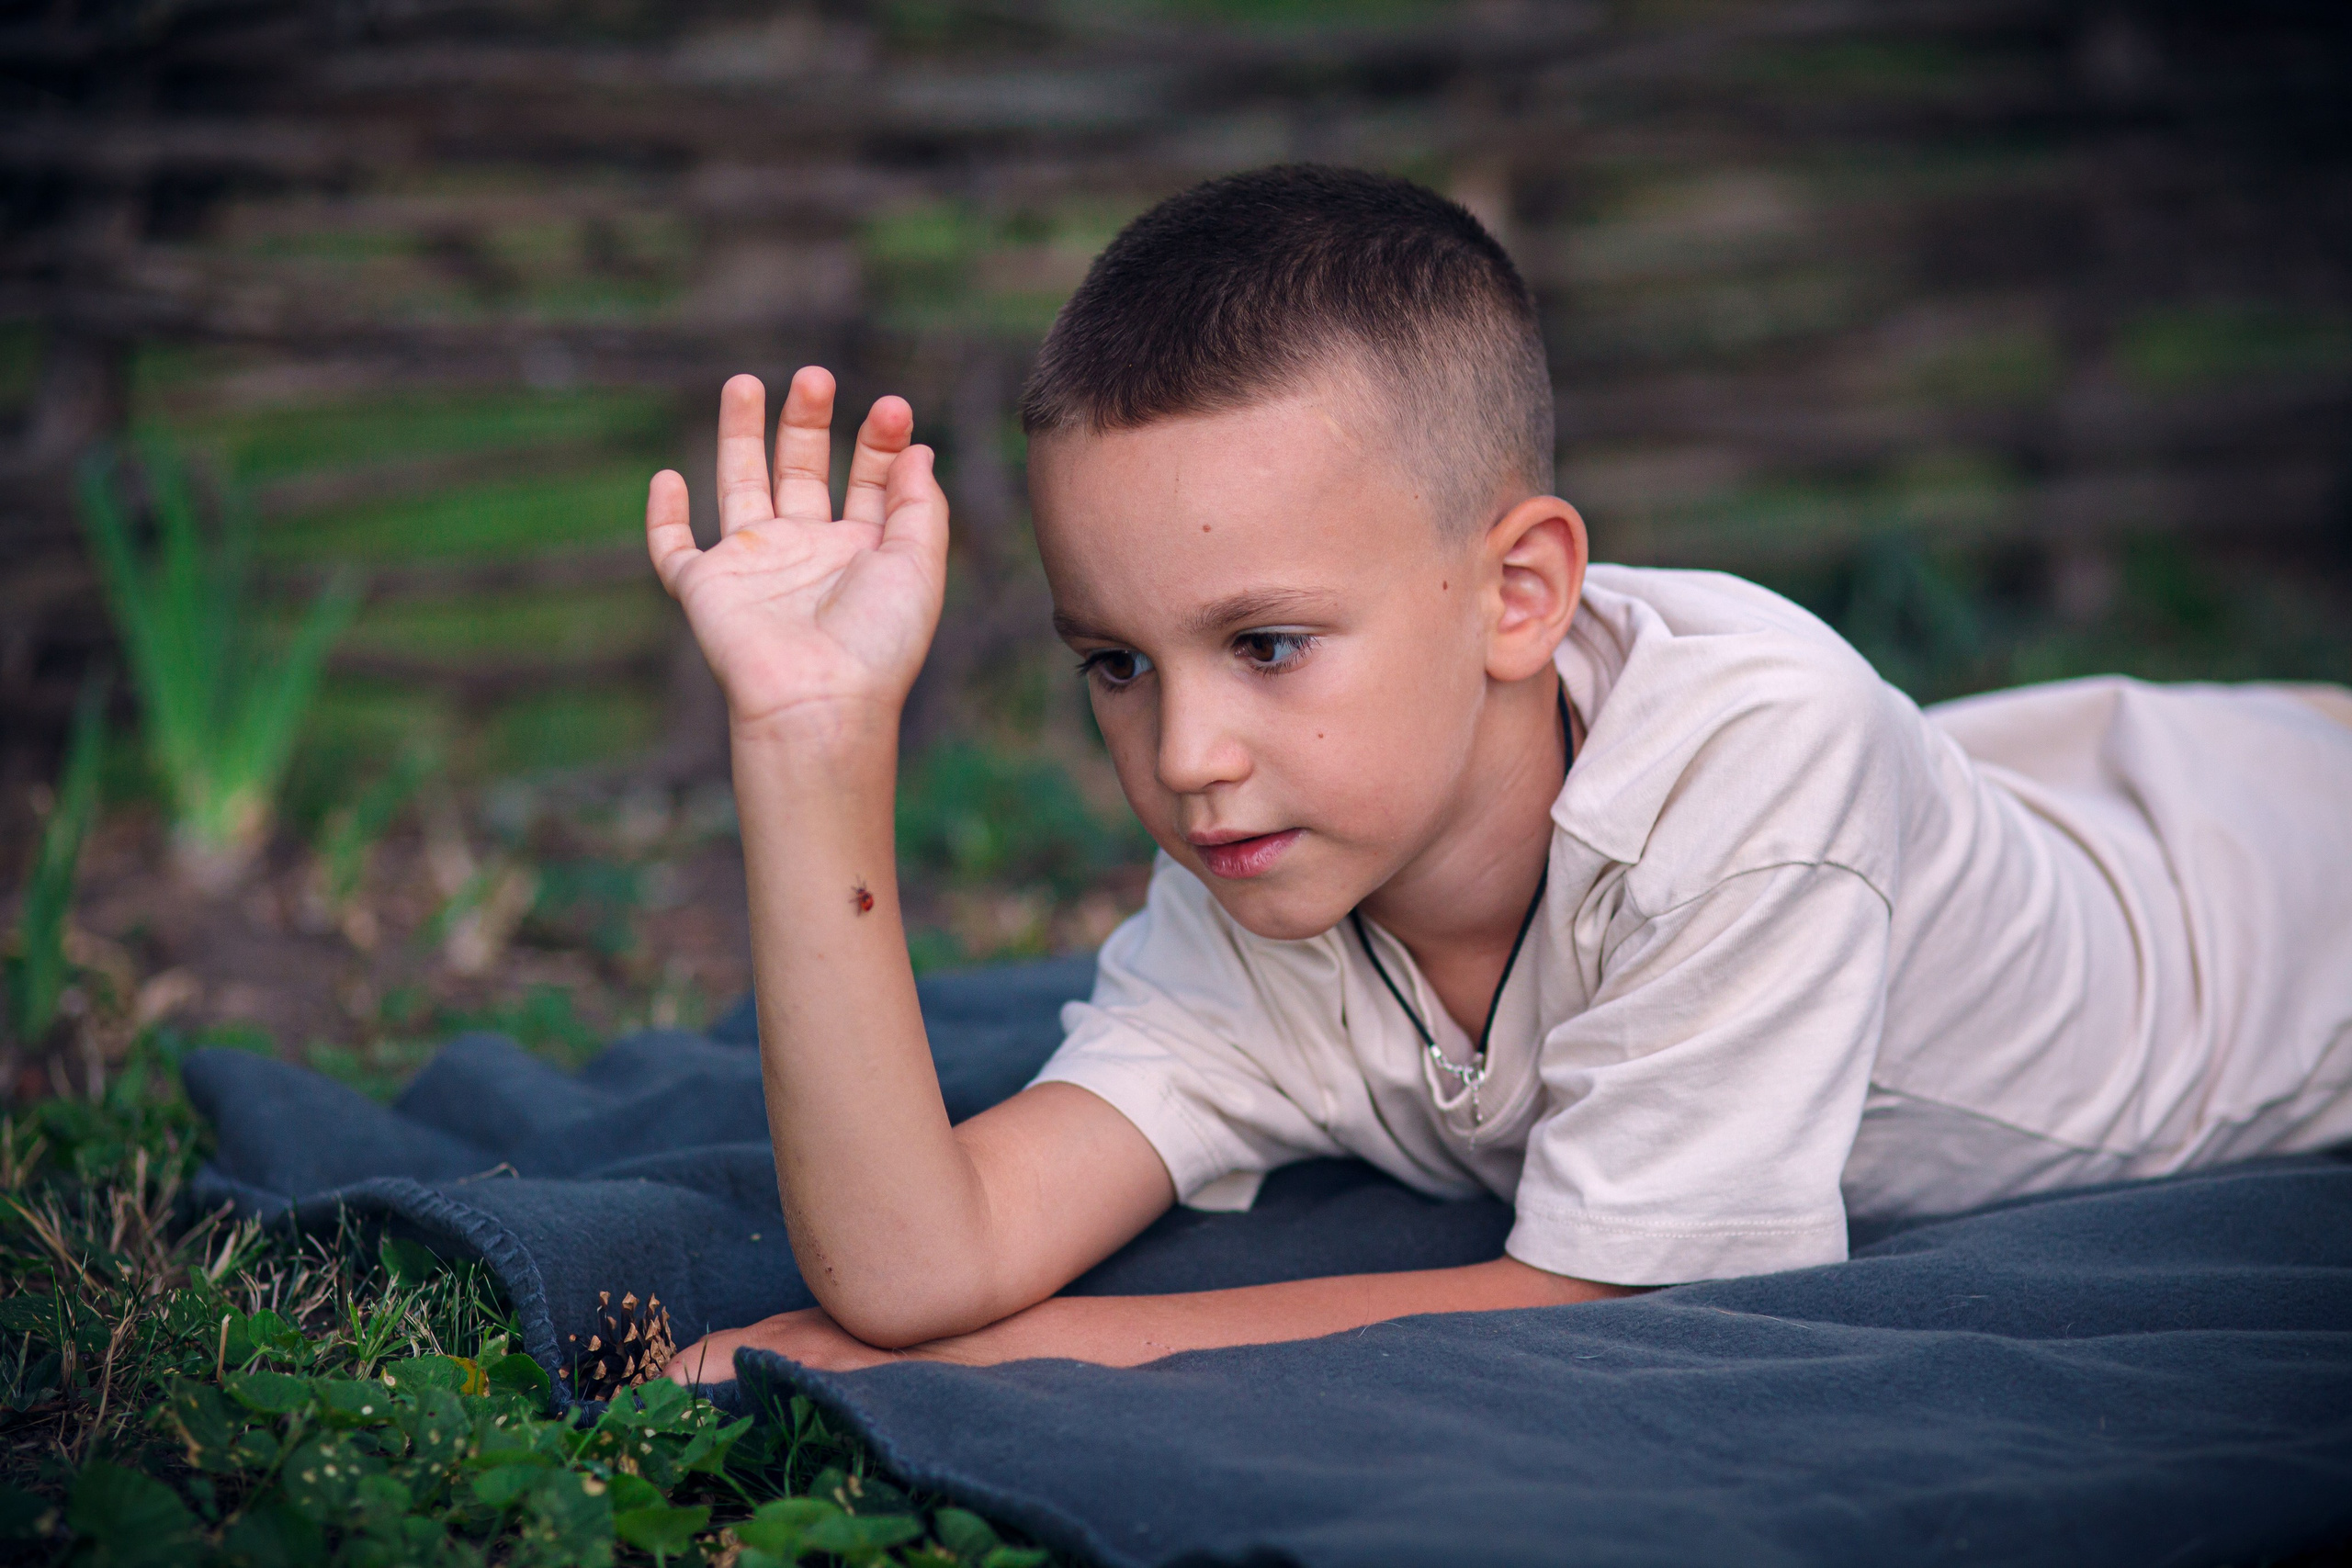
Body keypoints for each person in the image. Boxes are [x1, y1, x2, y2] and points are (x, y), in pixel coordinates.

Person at [650, 165, 2352, 1382]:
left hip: (2280, 915)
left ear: (1519, 594)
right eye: (1117, 664)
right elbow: (918, 1266)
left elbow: (1616, 1311)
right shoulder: (1263, 877)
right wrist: (813, 742)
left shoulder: (1755, 767)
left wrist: (1034, 1355)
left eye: (1267, 645)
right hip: (2060, 790)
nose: (1185, 761)